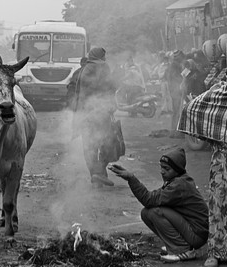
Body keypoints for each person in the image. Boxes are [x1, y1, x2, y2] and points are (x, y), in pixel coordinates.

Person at [178, 57, 227, 267]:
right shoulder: (218, 91)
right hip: (221, 160)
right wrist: (210, 134)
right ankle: (216, 252)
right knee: (218, 204)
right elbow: (194, 108)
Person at [108, 148, 209, 263]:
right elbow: (153, 198)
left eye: (166, 169)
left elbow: (149, 199)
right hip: (193, 230)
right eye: (161, 167)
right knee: (146, 213)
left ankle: (183, 250)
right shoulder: (177, 180)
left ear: (177, 170)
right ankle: (174, 244)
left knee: (155, 212)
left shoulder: (179, 185)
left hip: (197, 235)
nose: (162, 171)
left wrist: (131, 178)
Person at [72, 47, 125, 187]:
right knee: (107, 143)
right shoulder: (102, 67)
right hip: (100, 113)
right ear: (100, 56)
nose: (105, 58)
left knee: (89, 146)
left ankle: (96, 175)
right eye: (104, 55)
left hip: (84, 114)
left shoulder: (84, 69)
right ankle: (99, 172)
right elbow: (110, 87)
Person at [166, 50, 185, 138]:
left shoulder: (173, 65)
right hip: (175, 90)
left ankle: (174, 131)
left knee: (176, 112)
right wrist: (183, 79)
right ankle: (175, 131)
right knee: (177, 111)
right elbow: (175, 77)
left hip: (173, 90)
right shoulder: (175, 66)